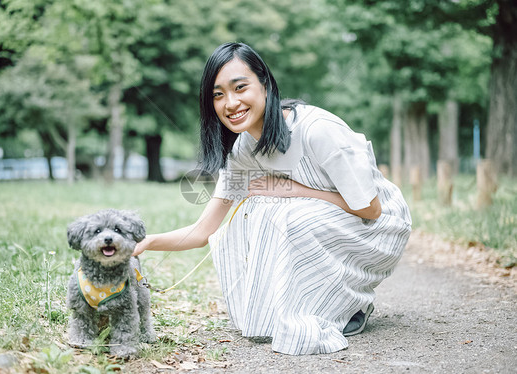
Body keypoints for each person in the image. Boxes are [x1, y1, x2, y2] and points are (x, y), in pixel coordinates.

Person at [133, 42, 411, 355]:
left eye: (240, 87)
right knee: (247, 216)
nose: (231, 102)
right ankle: (305, 305)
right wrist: (145, 243)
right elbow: (203, 231)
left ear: (265, 84)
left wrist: (291, 189)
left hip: (378, 230)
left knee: (285, 212)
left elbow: (371, 209)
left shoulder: (317, 131)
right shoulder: (241, 152)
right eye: (218, 94)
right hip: (328, 222)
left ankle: (348, 306)